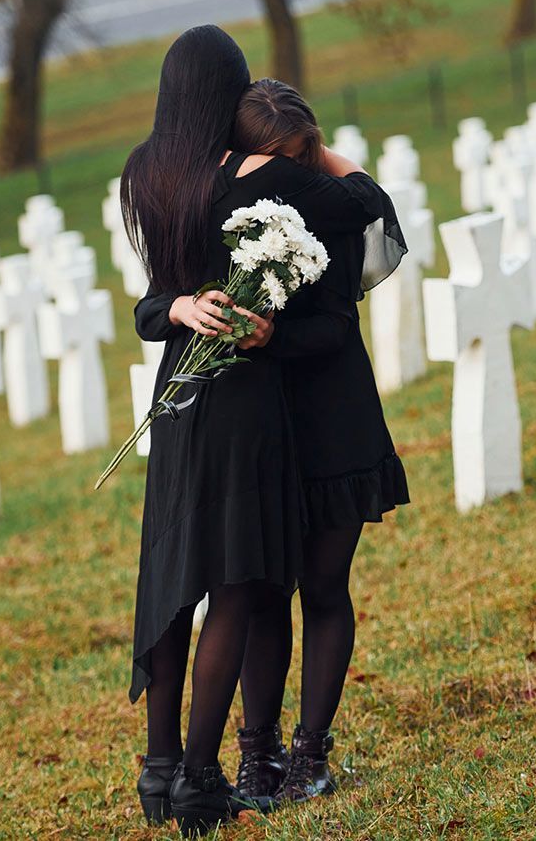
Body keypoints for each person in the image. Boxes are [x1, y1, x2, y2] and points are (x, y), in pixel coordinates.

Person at [122, 33, 397, 835]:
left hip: (225, 406)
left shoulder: (157, 174)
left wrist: (179, 311)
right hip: (247, 414)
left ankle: (218, 761)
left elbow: (161, 301)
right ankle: (229, 762)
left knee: (227, 587)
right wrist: (322, 153)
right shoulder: (262, 183)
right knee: (249, 590)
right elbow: (369, 202)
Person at [222, 79, 411, 809]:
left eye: (303, 159)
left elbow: (338, 321)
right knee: (264, 594)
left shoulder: (327, 211)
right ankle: (257, 754)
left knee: (324, 587)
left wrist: (316, 152)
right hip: (265, 427)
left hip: (333, 413)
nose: (291, 177)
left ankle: (310, 753)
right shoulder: (227, 216)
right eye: (280, 162)